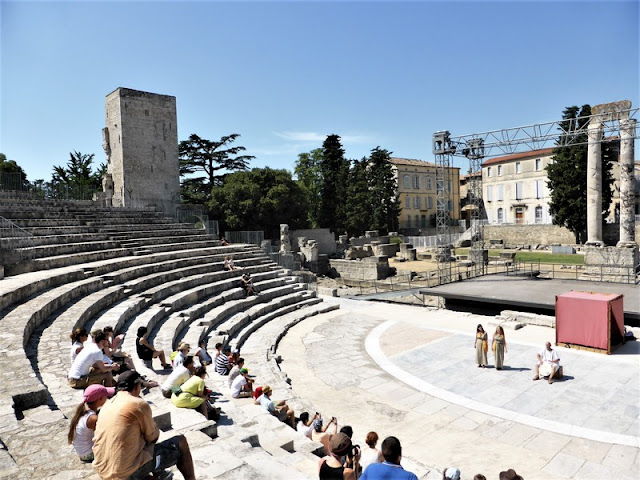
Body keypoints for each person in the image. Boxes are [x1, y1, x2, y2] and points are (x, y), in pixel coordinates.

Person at [92, 371, 196, 480]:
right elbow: (153, 437)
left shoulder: (107, 405)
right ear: (137, 386)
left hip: (103, 470)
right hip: (125, 472)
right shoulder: (137, 404)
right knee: (181, 442)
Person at [67, 384, 115, 462]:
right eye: (106, 396)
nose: (107, 398)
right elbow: (105, 435)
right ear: (100, 399)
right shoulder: (93, 418)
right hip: (88, 455)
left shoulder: (83, 411)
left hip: (82, 451)